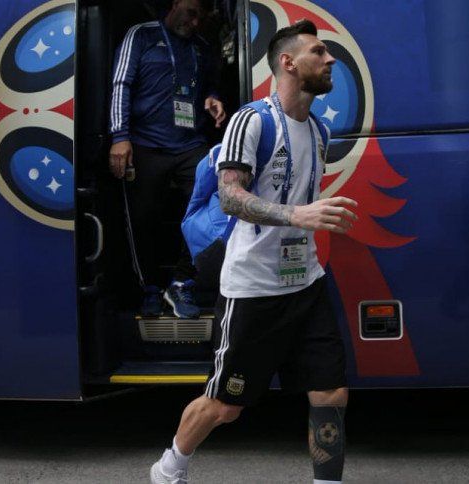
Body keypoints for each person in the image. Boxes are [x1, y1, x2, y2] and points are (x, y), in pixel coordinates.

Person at [150, 19, 358, 484]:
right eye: (319, 52)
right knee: (225, 407)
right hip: (253, 289)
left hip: (306, 281)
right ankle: (169, 468)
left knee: (330, 393)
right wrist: (297, 216)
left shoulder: (320, 132)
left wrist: (307, 220)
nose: (330, 60)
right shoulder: (252, 119)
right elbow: (230, 196)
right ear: (288, 62)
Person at [109, 0, 226, 318]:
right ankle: (148, 288)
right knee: (143, 218)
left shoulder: (201, 46)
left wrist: (213, 98)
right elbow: (121, 84)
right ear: (175, 4)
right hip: (145, 144)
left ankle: (181, 282)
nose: (196, 21)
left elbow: (211, 85)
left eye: (201, 16)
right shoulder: (142, 35)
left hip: (191, 144)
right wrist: (120, 137)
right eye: (191, 12)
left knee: (211, 214)